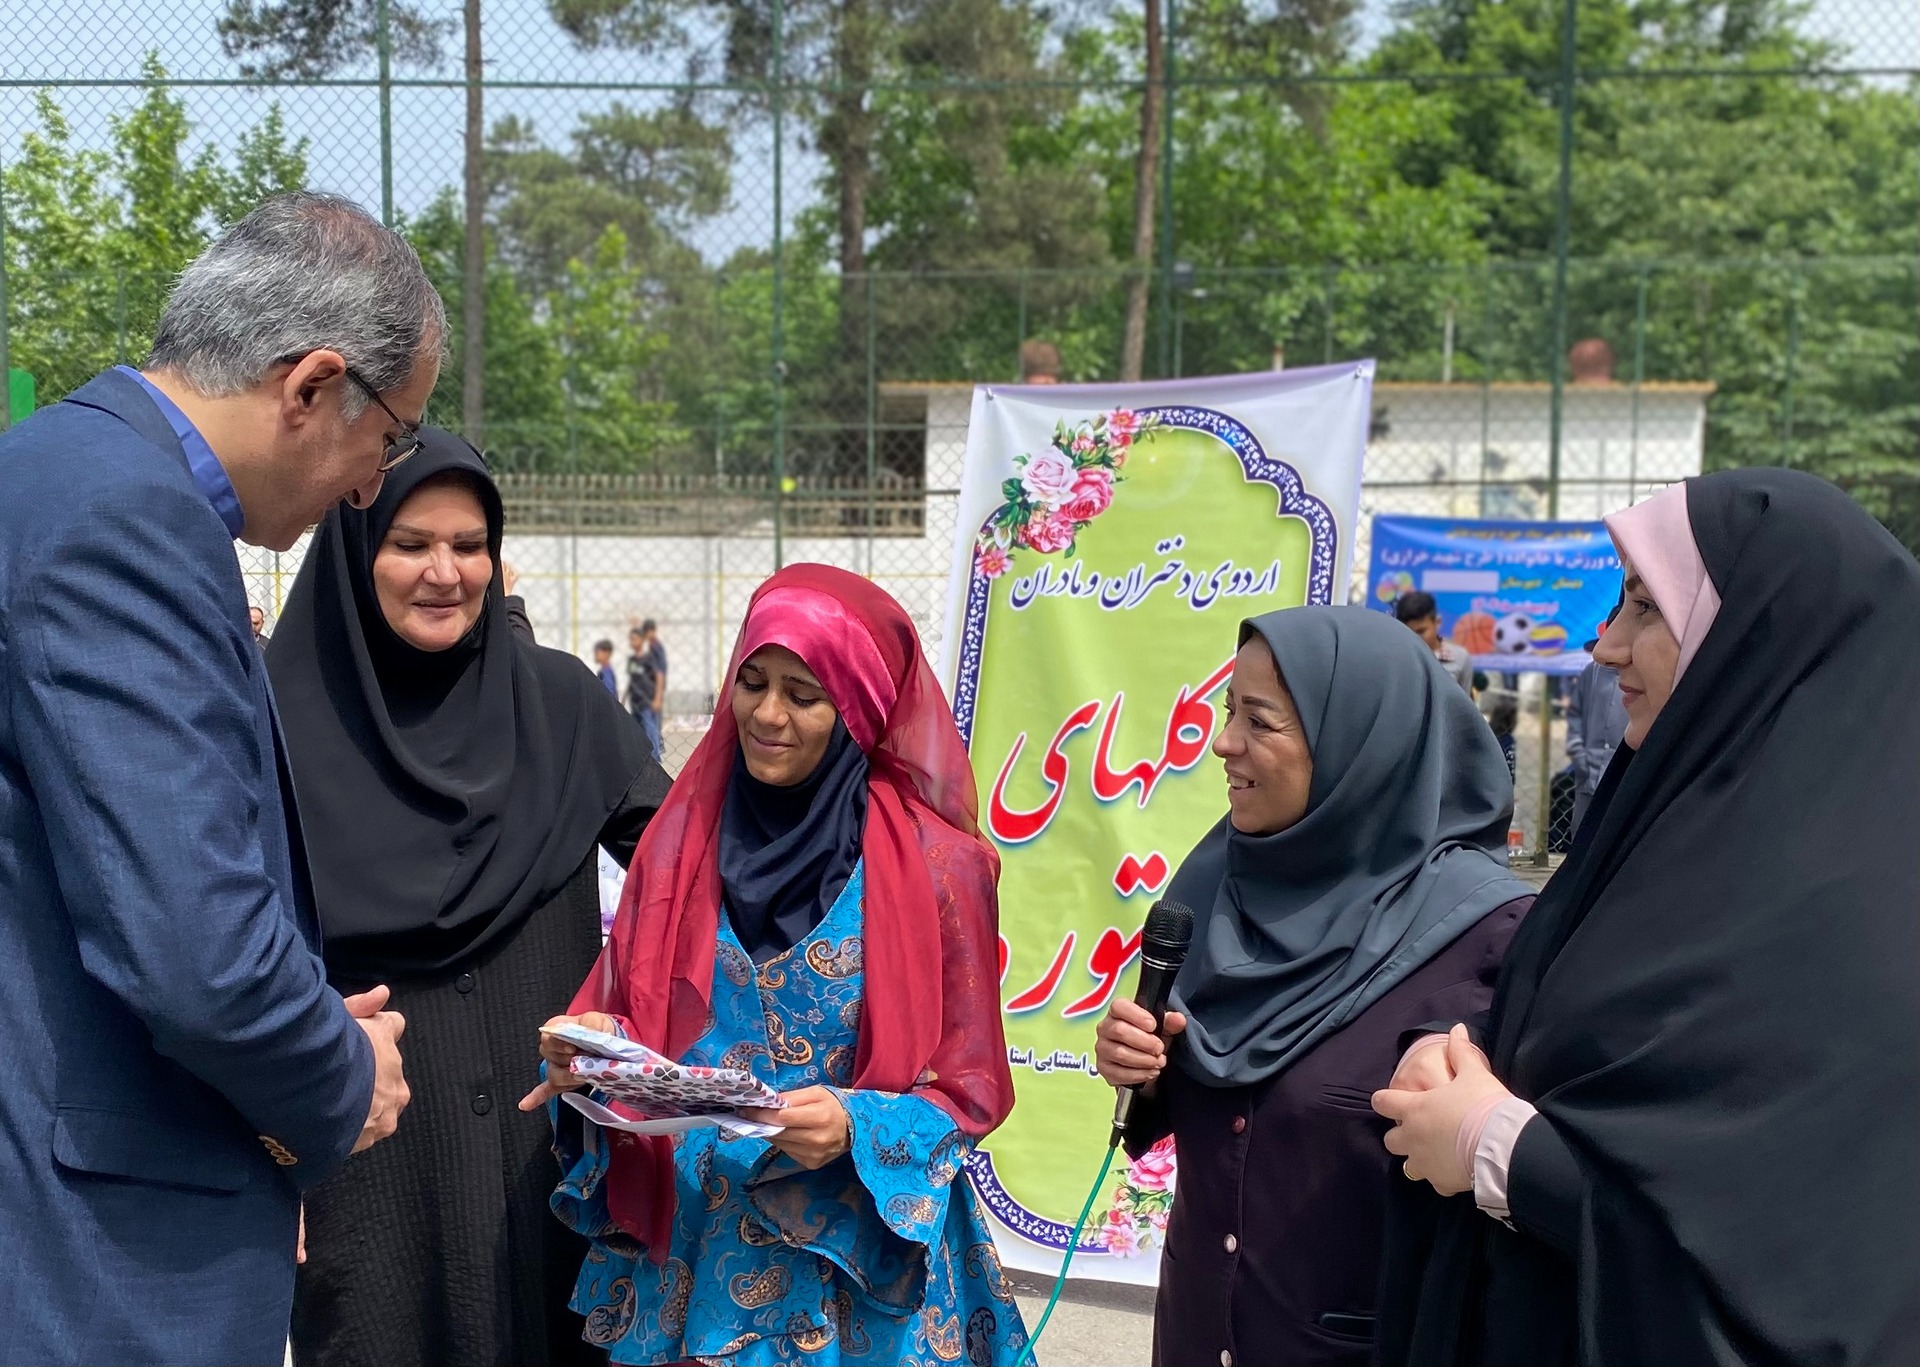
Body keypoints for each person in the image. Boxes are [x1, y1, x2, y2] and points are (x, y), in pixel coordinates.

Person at [0, 191, 429, 1365]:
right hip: (99, 1266)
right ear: (312, 386)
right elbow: (193, 950)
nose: (368, 489)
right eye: (390, 438)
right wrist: (340, 1071)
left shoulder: (54, 469)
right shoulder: (128, 519)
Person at [1373, 470, 1920, 1367]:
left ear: (1757, 637)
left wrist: (1499, 1150)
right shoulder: (1675, 834)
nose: (1607, 646)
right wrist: (1463, 1056)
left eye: (1646, 607)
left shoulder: (1854, 923)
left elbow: (1792, 1256)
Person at [523, 563, 1028, 1365]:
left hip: (861, 1277)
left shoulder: (942, 868)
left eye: (804, 694)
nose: (767, 714)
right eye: (752, 682)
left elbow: (971, 1089)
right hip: (699, 1258)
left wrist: (857, 1125)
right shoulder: (678, 847)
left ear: (857, 708)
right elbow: (638, 1021)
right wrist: (593, 1046)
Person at [268, 430, 671, 1367]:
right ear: (354, 553)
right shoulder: (273, 723)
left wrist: (627, 1012)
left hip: (554, 1154)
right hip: (372, 1167)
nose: (444, 572)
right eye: (410, 543)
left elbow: (687, 869)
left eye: (469, 544)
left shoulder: (562, 705)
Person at [1093, 606, 1533, 1367]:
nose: (1224, 742)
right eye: (1228, 711)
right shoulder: (1215, 885)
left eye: (1259, 721)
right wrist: (1143, 1066)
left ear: (1359, 746)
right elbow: (1215, 1097)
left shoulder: (1487, 935)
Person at [1563, 609, 1628, 834]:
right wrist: (1579, 756)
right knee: (1582, 832)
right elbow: (1575, 716)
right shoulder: (1593, 671)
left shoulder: (1646, 673)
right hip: (1589, 773)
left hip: (1625, 776)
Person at [1394, 590, 1475, 695]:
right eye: (1408, 632)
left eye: (1421, 631)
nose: (1415, 638)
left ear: (1437, 623)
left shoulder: (1460, 657)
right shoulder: (1395, 659)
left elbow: (1464, 702)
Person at [625, 618, 667, 761]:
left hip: (647, 702)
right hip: (635, 703)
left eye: (635, 639)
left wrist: (657, 698)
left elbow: (660, 675)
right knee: (638, 734)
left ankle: (655, 761)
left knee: (651, 732)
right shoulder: (632, 660)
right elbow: (631, 680)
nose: (632, 642)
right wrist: (624, 699)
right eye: (631, 639)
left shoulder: (650, 658)